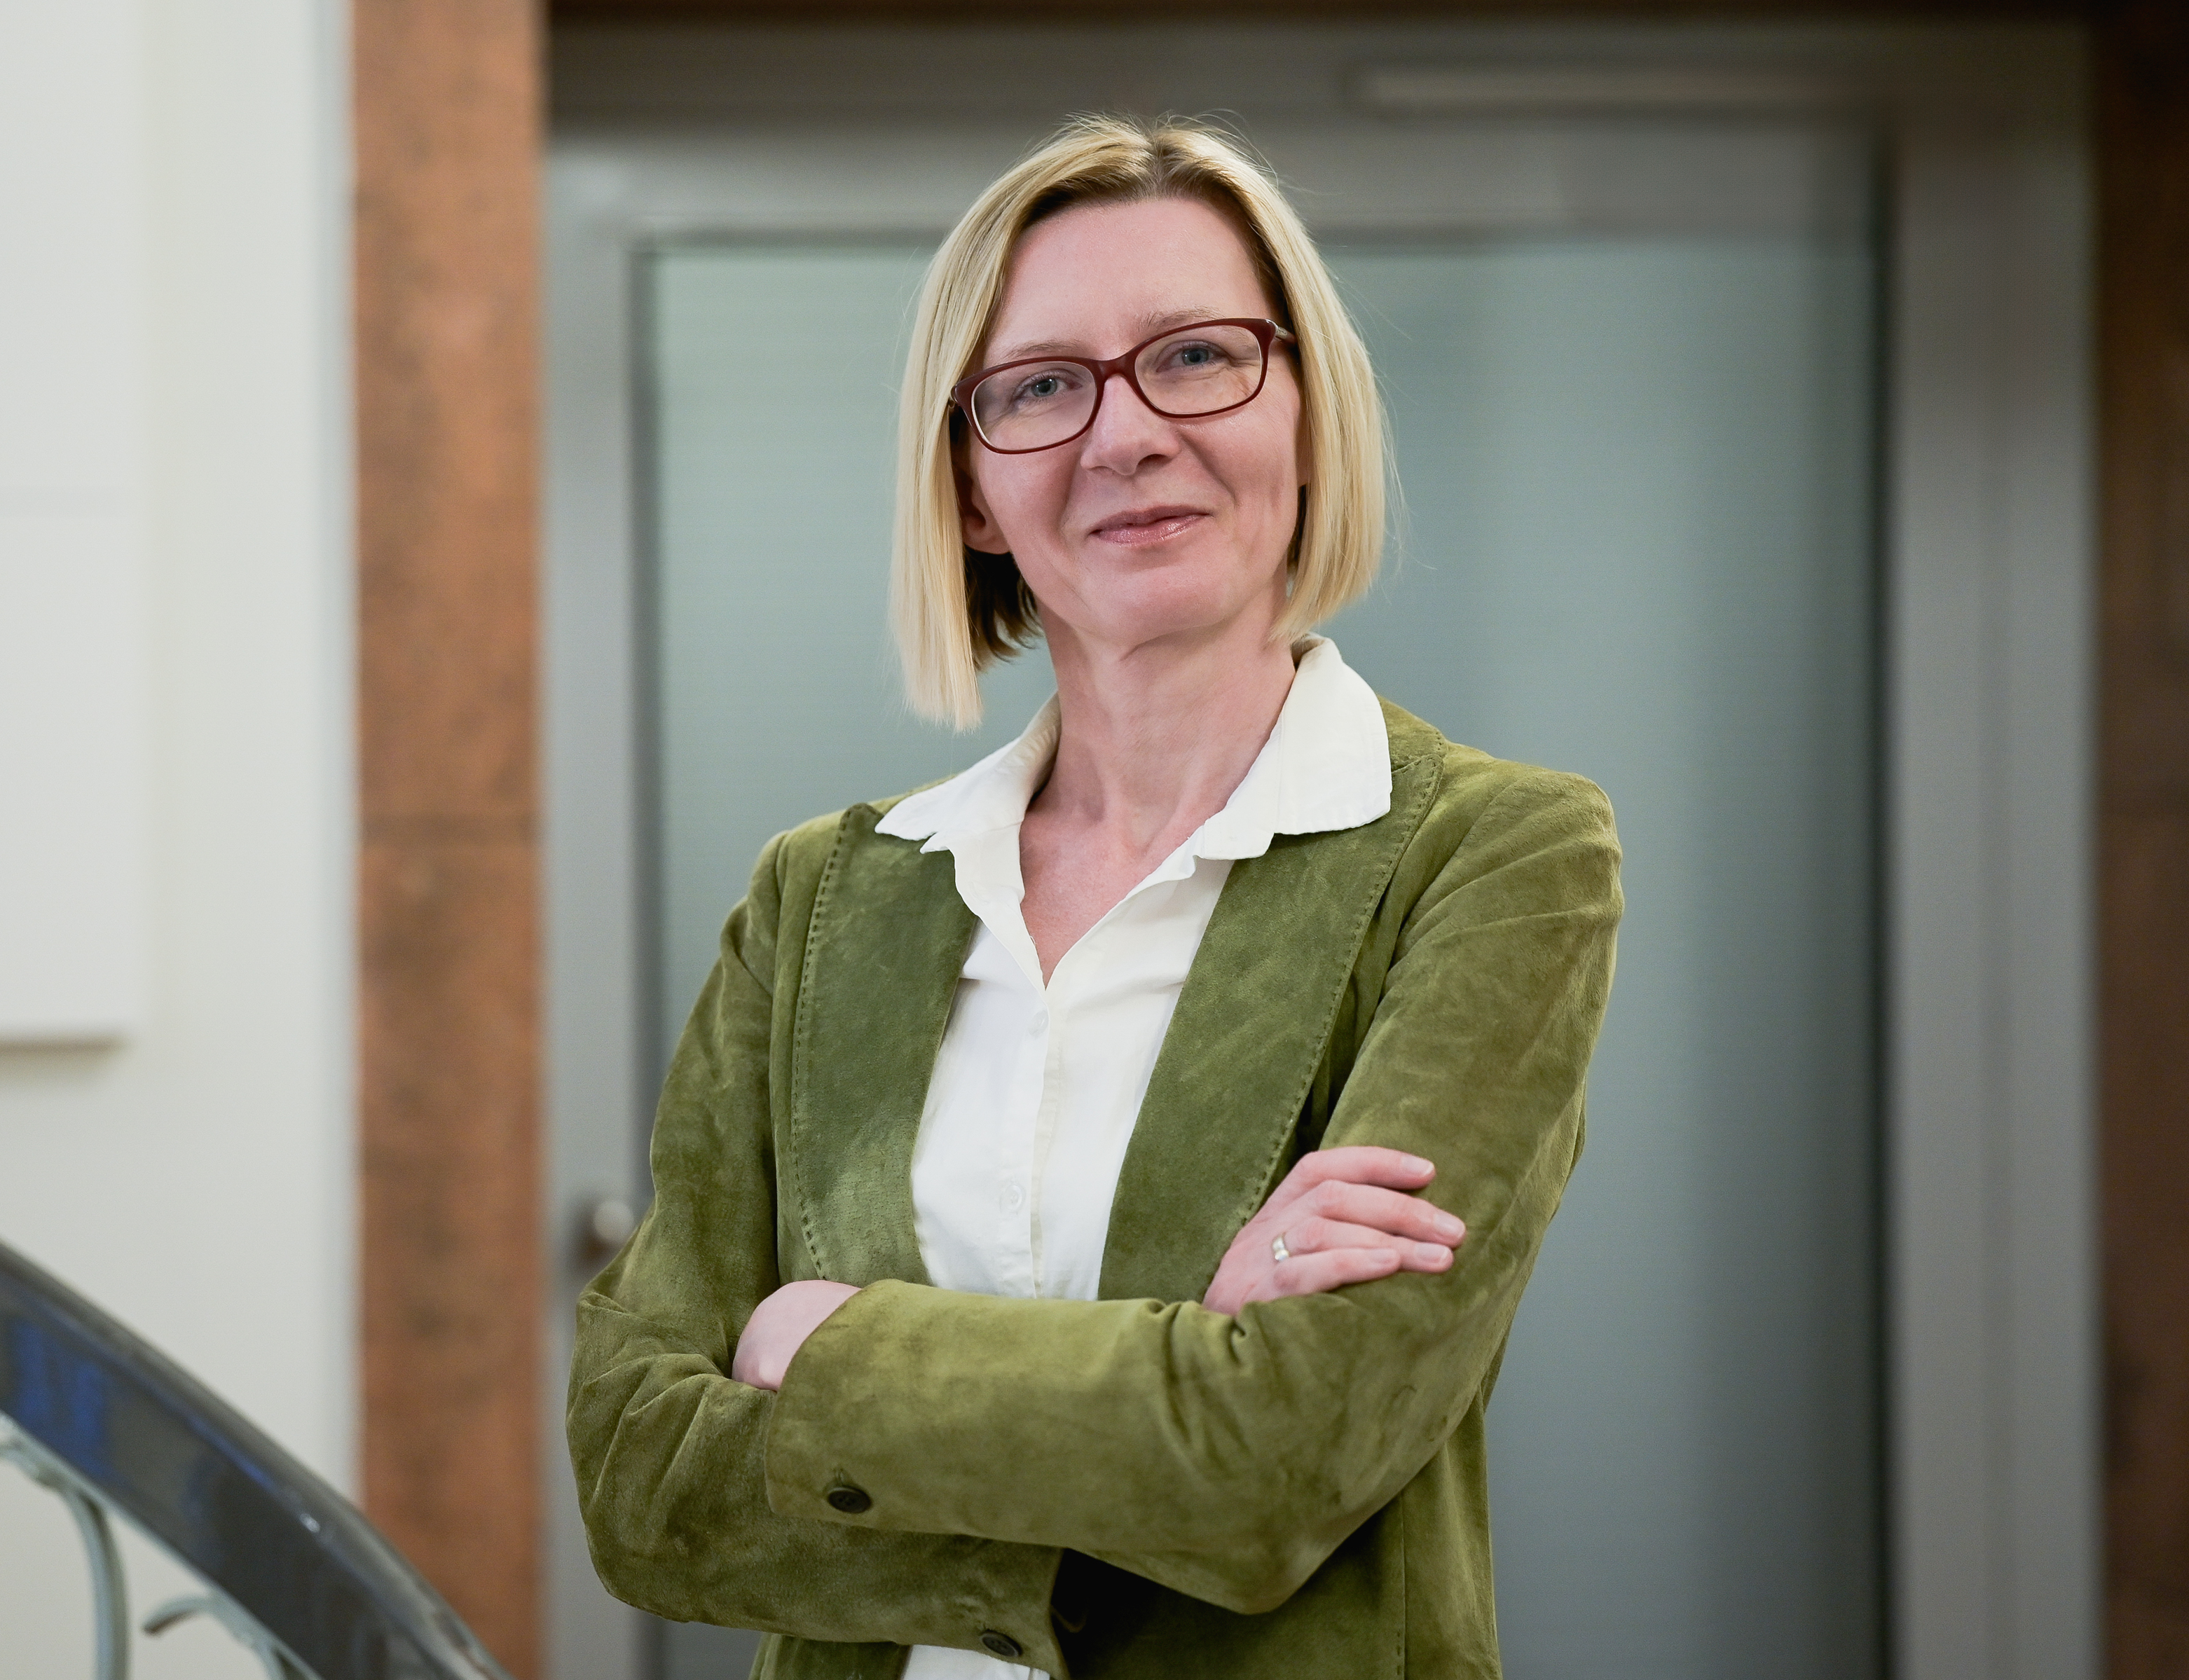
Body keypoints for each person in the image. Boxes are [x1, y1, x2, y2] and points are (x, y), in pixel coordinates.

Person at [568, 114, 1623, 1680]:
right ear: (977, 489)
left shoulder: (1496, 859)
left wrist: (825, 1352)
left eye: (1197, 357)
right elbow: (643, 1483)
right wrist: (1180, 1365)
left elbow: (1286, 1457)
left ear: (1308, 415)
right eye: (1042, 386)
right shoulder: (824, 902)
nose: (1125, 434)